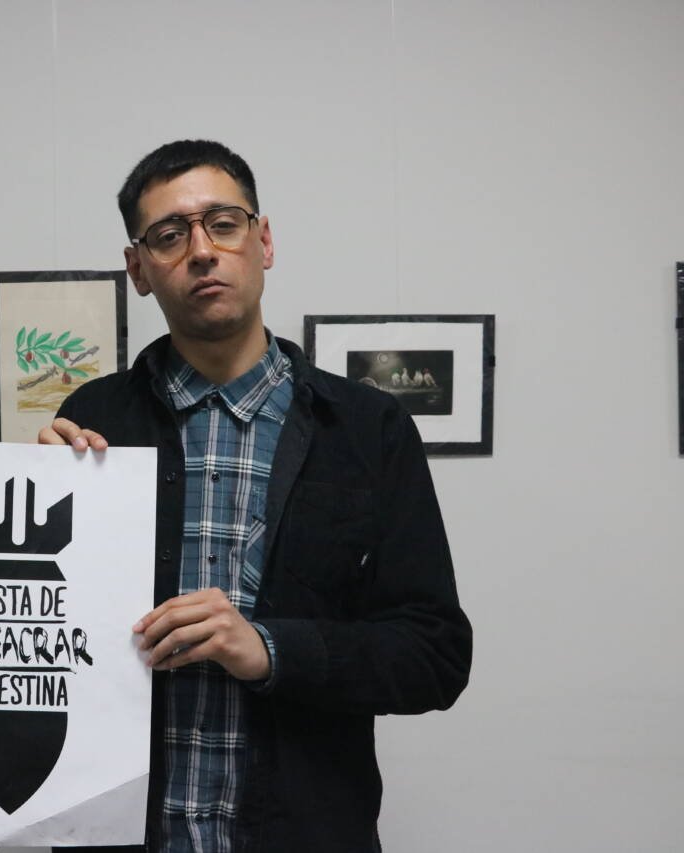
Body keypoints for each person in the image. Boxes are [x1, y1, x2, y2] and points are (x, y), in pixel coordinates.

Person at [41, 139, 472, 852]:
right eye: (169, 236)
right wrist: (41, 508)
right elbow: (49, 642)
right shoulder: (93, 421)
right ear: (138, 269)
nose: (201, 252)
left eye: (223, 224)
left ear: (263, 241)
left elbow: (435, 655)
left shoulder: (368, 429)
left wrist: (269, 647)